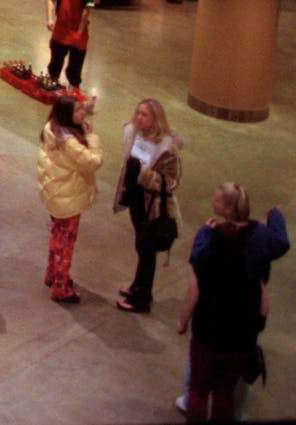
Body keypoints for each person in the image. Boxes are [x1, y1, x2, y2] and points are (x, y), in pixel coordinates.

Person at [179, 183, 288, 422]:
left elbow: (196, 264)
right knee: (225, 392)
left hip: (208, 330)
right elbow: (281, 244)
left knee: (198, 388)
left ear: (227, 210)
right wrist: (276, 216)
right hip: (241, 334)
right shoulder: (260, 239)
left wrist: (203, 233)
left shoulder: (213, 242)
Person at [112, 98, 183, 314]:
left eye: (145, 115)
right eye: (138, 113)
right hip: (135, 198)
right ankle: (138, 285)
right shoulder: (133, 134)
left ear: (156, 118)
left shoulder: (167, 148)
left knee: (146, 249)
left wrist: (144, 174)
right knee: (140, 245)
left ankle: (141, 299)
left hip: (152, 204)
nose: (140, 118)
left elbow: (172, 182)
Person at [37, 95, 103, 304]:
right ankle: (61, 286)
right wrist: (92, 137)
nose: (83, 113)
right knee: (66, 243)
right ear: (67, 115)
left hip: (55, 194)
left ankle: (52, 274)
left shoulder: (51, 128)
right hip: (68, 199)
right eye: (78, 110)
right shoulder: (70, 142)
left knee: (57, 235)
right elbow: (93, 161)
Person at [46, 0, 94, 89]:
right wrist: (50, 19)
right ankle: (53, 79)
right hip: (62, 28)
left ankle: (74, 86)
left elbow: (85, 12)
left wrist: (79, 32)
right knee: (57, 56)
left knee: (76, 62)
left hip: (78, 30)